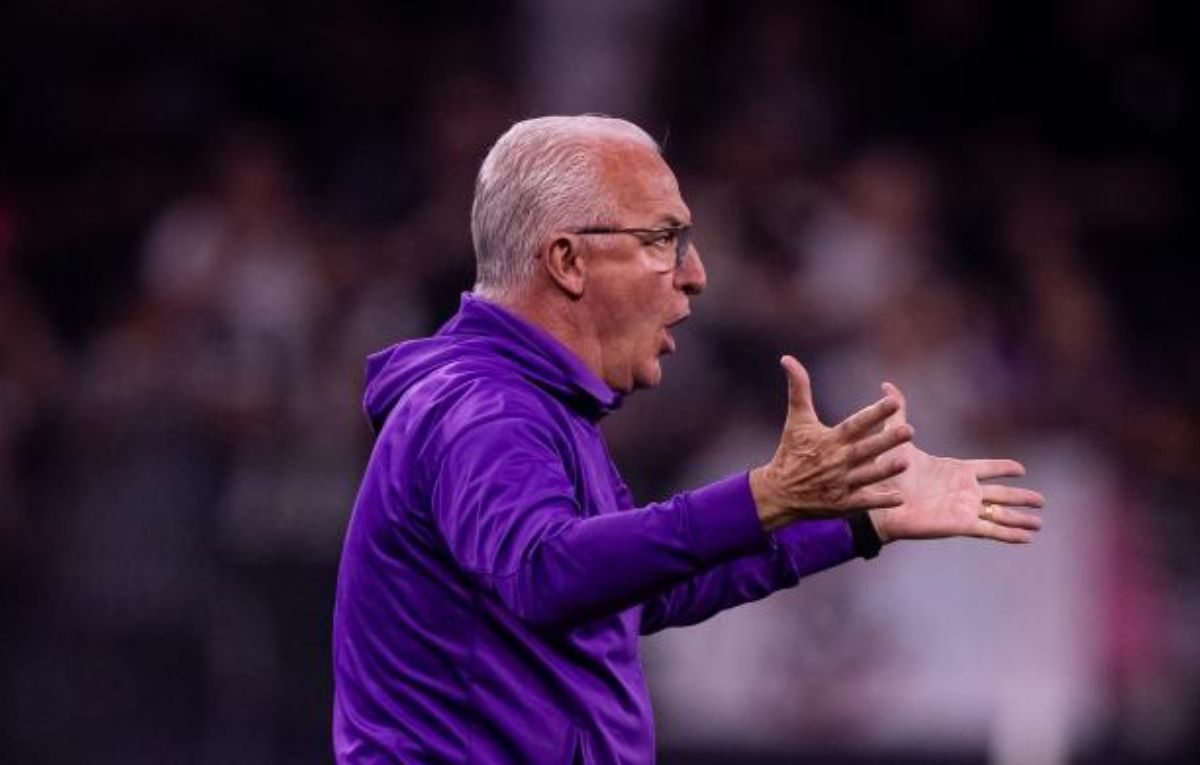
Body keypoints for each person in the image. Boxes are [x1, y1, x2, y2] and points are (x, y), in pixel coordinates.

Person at [331, 115, 1044, 764]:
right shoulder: (484, 406)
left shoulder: (540, 408)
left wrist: (857, 519)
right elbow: (545, 574)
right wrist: (764, 495)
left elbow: (639, 593)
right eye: (663, 239)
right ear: (568, 261)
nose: (696, 275)